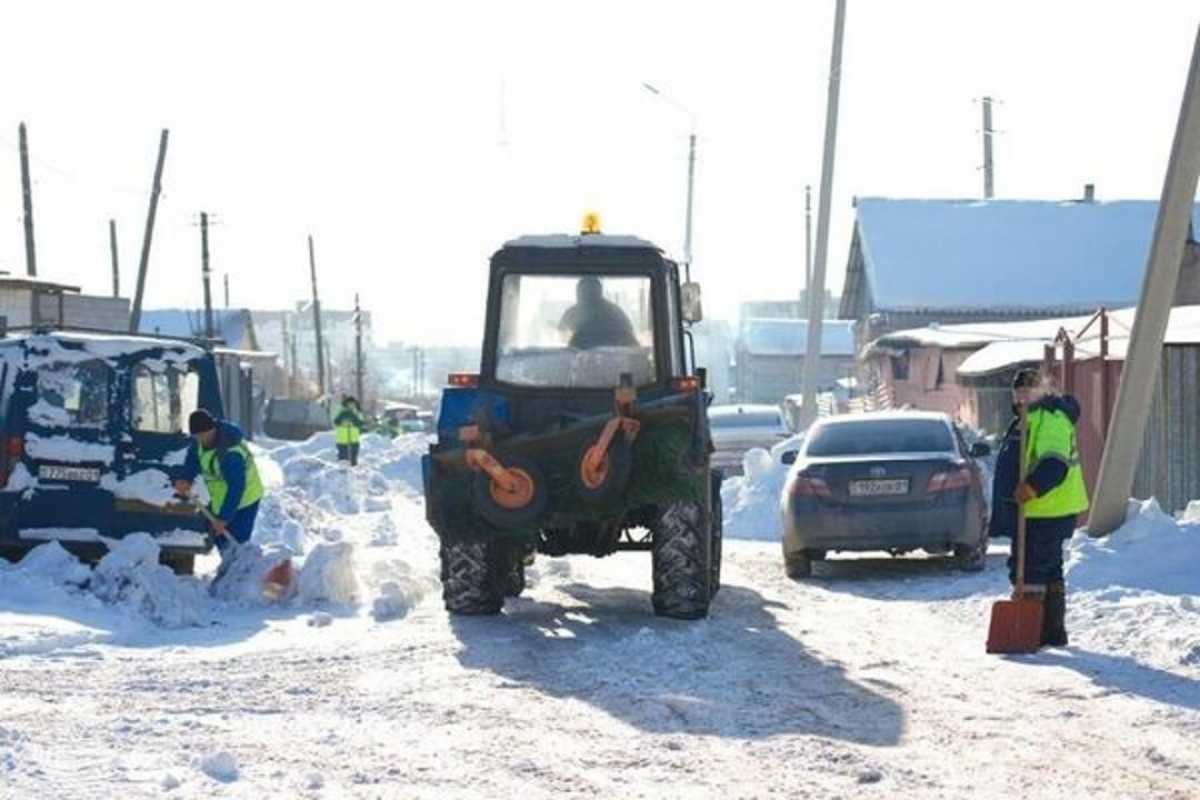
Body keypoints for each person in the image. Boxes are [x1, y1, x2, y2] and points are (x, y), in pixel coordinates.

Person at [990, 368, 1089, 647]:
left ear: (1042, 392)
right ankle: (1051, 632)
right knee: (1048, 569)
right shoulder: (1027, 418)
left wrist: (1032, 486)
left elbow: (1055, 463)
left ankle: (1031, 631)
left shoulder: (1051, 419)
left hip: (1046, 509)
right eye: (1017, 393)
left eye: (1027, 392)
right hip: (1035, 510)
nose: (1021, 398)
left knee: (1032, 569)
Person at [173, 409, 264, 557]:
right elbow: (193, 458)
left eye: (204, 435)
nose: (201, 440)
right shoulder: (200, 442)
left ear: (212, 429)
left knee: (236, 541)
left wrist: (224, 518)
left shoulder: (230, 454)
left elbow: (236, 488)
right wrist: (186, 478)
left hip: (245, 500)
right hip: (221, 498)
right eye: (197, 436)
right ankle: (228, 568)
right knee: (220, 538)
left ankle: (240, 573)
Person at [558, 276, 639, 350]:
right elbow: (562, 333)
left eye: (590, 292)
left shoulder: (615, 314)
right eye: (583, 292)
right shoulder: (573, 313)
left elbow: (632, 347)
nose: (587, 295)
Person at [334, 395, 366, 466]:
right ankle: (343, 469)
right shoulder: (341, 411)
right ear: (346, 403)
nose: (351, 406)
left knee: (353, 454)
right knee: (343, 455)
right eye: (349, 404)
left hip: (352, 436)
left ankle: (352, 467)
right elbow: (336, 421)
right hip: (343, 436)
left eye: (352, 404)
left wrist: (355, 419)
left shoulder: (357, 411)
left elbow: (361, 422)